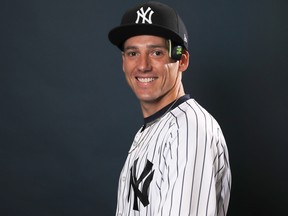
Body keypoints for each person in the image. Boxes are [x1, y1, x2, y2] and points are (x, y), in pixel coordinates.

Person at [108, 1, 231, 215]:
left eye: (156, 53)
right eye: (132, 53)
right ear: (123, 62)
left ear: (181, 60)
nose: (143, 65)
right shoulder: (154, 129)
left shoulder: (190, 129)